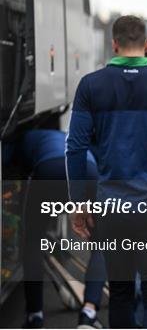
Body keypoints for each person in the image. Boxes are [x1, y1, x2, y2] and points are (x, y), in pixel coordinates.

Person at [66, 15, 147, 328]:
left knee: (120, 292)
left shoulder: (91, 85)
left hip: (112, 207)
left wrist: (78, 202)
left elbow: (75, 148)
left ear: (114, 44)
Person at [10, 129, 100, 328]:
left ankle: (35, 315)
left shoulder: (26, 138)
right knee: (99, 245)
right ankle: (89, 313)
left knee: (33, 240)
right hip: (89, 171)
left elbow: (21, 173)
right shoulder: (71, 136)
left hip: (50, 169)